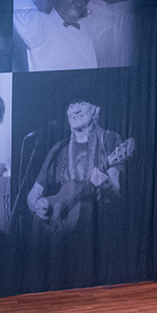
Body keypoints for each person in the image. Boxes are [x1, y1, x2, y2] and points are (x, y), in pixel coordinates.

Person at [26, 98, 131, 232]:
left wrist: (106, 185)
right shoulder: (59, 149)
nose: (75, 110)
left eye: (82, 103)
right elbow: (33, 195)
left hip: (98, 234)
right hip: (59, 242)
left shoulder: (109, 139)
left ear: (96, 109)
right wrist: (38, 206)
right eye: (71, 106)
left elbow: (114, 187)